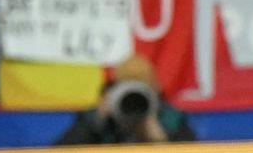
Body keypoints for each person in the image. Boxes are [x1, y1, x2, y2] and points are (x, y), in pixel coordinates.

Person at [56, 54, 198, 145]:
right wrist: (96, 122)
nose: (133, 100)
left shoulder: (171, 118)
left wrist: (160, 138)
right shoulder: (94, 118)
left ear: (154, 90)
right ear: (114, 89)